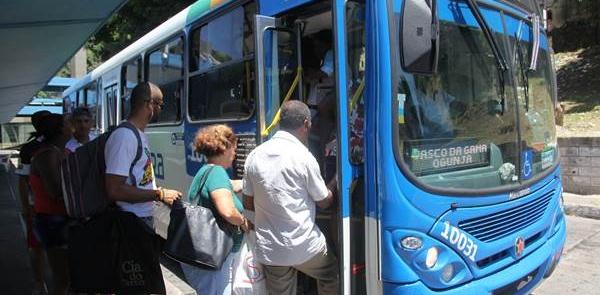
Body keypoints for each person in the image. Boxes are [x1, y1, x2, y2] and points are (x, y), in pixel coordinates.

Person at [242, 100, 338, 295]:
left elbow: (248, 203)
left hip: (271, 249)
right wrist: (335, 181)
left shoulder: (255, 155)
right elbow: (324, 202)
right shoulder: (303, 156)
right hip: (305, 247)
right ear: (306, 124)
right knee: (331, 273)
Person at [180, 124, 251, 295]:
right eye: (233, 148)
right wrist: (243, 222)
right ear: (224, 148)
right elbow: (227, 211)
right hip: (217, 256)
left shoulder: (206, 171)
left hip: (205, 253)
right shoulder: (217, 173)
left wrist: (250, 182)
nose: (234, 154)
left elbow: (226, 187)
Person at [104, 82, 181, 228]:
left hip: (141, 217)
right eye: (160, 105)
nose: (160, 110)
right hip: (130, 220)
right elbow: (114, 189)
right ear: (149, 104)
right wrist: (159, 195)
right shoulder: (124, 137)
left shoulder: (137, 134)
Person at [30, 114, 73, 295]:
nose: (73, 127)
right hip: (54, 221)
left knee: (71, 278)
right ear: (61, 129)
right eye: (68, 124)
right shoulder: (48, 155)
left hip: (63, 219)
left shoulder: (59, 151)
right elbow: (55, 191)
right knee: (62, 278)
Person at [16, 110, 50, 295]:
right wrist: (25, 206)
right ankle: (39, 281)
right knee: (38, 246)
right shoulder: (32, 149)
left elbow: (22, 181)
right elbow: (23, 180)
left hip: (36, 204)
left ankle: (39, 282)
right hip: (38, 204)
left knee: (37, 247)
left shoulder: (29, 148)